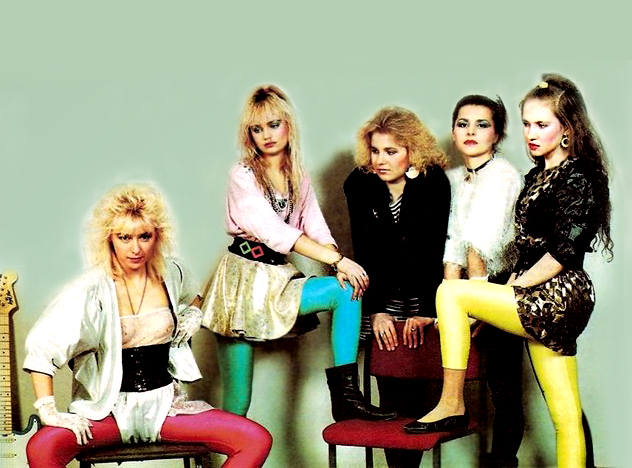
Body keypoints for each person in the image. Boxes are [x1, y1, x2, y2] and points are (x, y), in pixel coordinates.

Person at [404, 74, 614, 468]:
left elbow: (562, 253)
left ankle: (451, 402)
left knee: (450, 292)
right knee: (565, 415)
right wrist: (495, 301)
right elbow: (522, 251)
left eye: (542, 124)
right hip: (538, 295)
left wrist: (510, 291)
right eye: (527, 124)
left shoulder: (578, 176)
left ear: (567, 129)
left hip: (558, 294)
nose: (531, 134)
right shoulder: (537, 176)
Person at [23, 184, 272, 468]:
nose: (135, 248)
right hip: (107, 414)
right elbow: (42, 346)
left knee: (255, 439)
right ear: (109, 238)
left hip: (166, 408)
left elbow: (196, 296)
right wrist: (48, 411)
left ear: (158, 235)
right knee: (42, 447)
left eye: (144, 236)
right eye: (124, 237)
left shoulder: (173, 272)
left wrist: (192, 313)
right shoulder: (89, 289)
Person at [201, 85, 395, 422]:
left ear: (288, 125)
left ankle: (346, 398)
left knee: (346, 290)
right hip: (240, 285)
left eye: (274, 125)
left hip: (277, 278)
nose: (267, 135)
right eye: (257, 129)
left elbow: (316, 226)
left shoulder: (297, 175)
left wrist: (339, 265)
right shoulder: (242, 175)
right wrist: (338, 260)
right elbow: (275, 233)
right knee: (237, 403)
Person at [344, 106, 450, 467]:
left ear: (412, 150)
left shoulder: (434, 182)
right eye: (375, 151)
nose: (380, 160)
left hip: (424, 296)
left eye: (391, 151)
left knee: (418, 401)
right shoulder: (359, 184)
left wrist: (427, 311)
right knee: (390, 402)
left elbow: (435, 250)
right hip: (382, 296)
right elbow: (365, 250)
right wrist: (376, 310)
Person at [443, 95, 524, 467]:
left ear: (498, 134)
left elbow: (480, 245)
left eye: (482, 124)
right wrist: (448, 303)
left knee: (505, 388)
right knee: (480, 380)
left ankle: (503, 461)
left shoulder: (503, 174)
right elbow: (452, 246)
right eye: (463, 124)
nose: (471, 132)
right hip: (469, 289)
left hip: (506, 284)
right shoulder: (453, 179)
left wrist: (473, 304)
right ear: (453, 131)